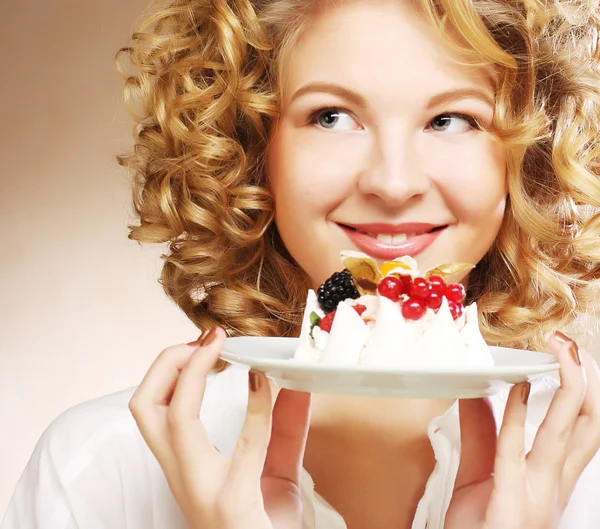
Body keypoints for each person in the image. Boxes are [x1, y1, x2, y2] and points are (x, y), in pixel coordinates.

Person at [3, 0, 600, 527]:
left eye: (450, 120)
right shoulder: (95, 473)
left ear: (530, 155)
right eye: (332, 116)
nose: (392, 183)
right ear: (251, 148)